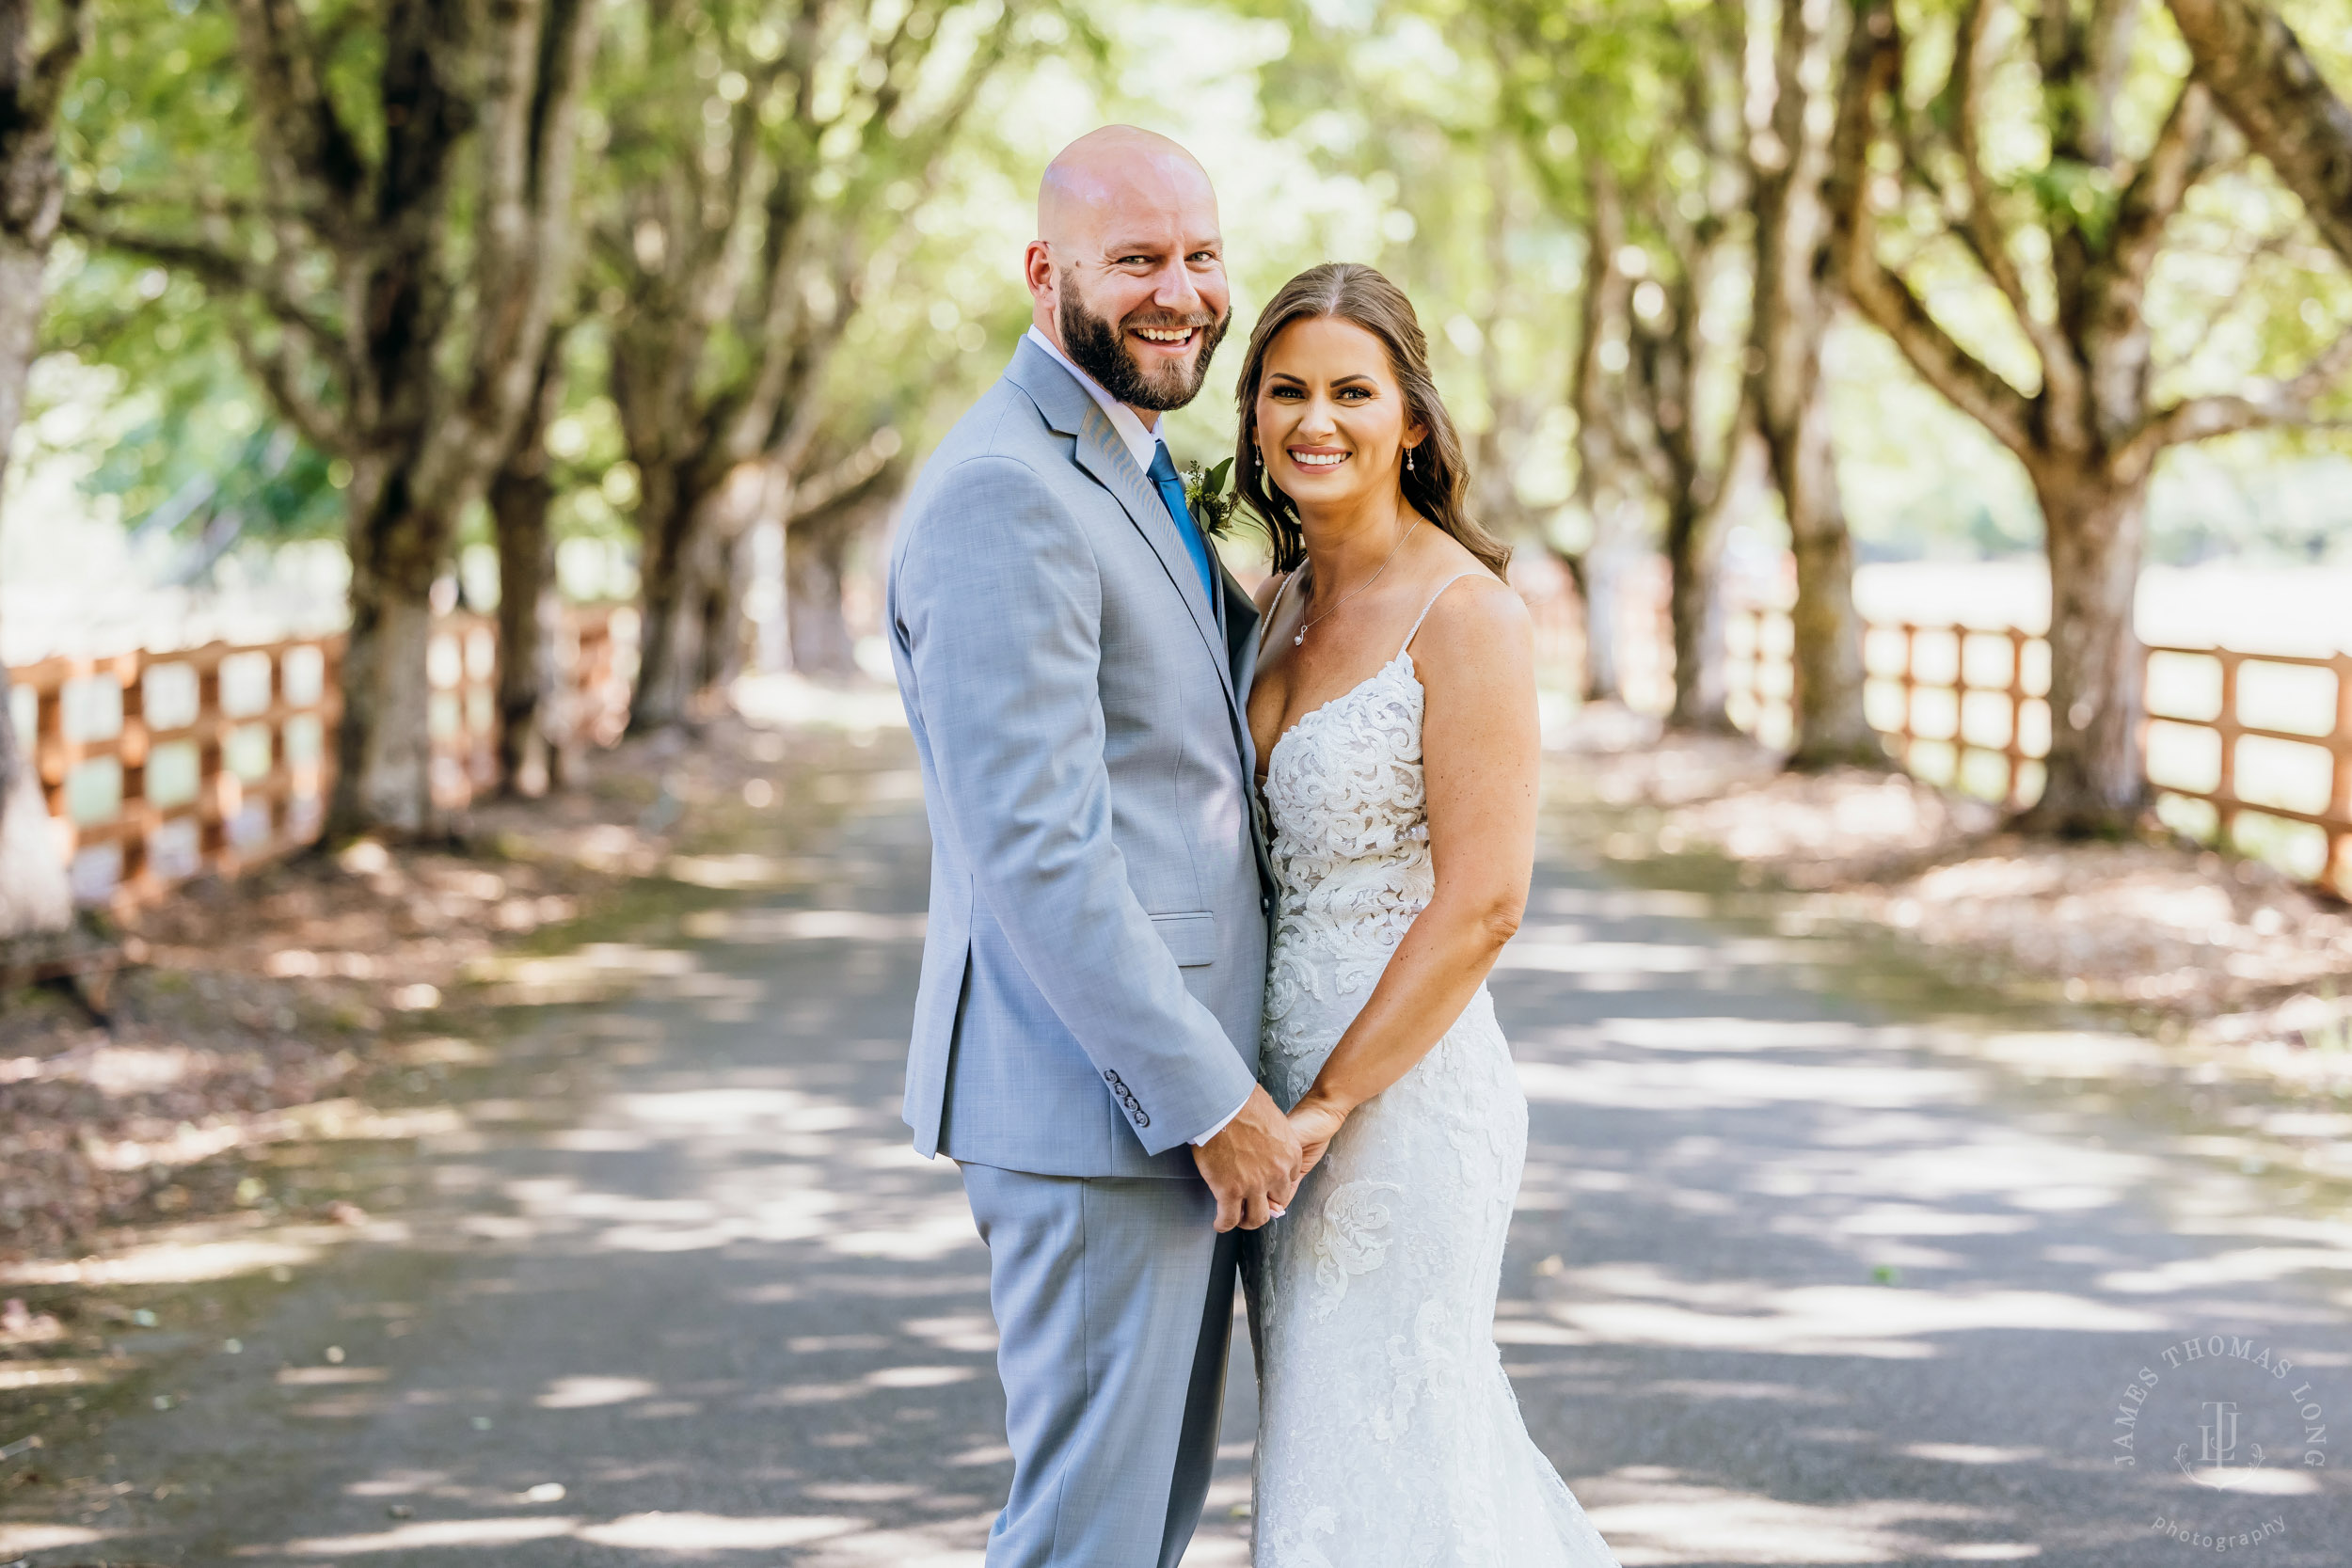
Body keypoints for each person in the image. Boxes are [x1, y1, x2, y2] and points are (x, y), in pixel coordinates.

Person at [884, 126, 1299, 1568]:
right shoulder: (1010, 490)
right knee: (1087, 1541)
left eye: (1198, 255)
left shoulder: (1130, 459)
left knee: (1138, 1531)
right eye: (1136, 261)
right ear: (1044, 271)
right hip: (1103, 1109)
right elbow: (1039, 850)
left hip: (1153, 1114)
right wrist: (1205, 1097)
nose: (1179, 291)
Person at [1236, 261, 1621, 1566]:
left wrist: (1328, 1107)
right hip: (1277, 1098)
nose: (1315, 421)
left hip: (1396, 1103)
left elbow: (1485, 905)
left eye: (1352, 390)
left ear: (1412, 418)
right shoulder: (1286, 600)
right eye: (1285, 391)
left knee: (1405, 1437)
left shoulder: (1468, 615)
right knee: (1326, 1452)